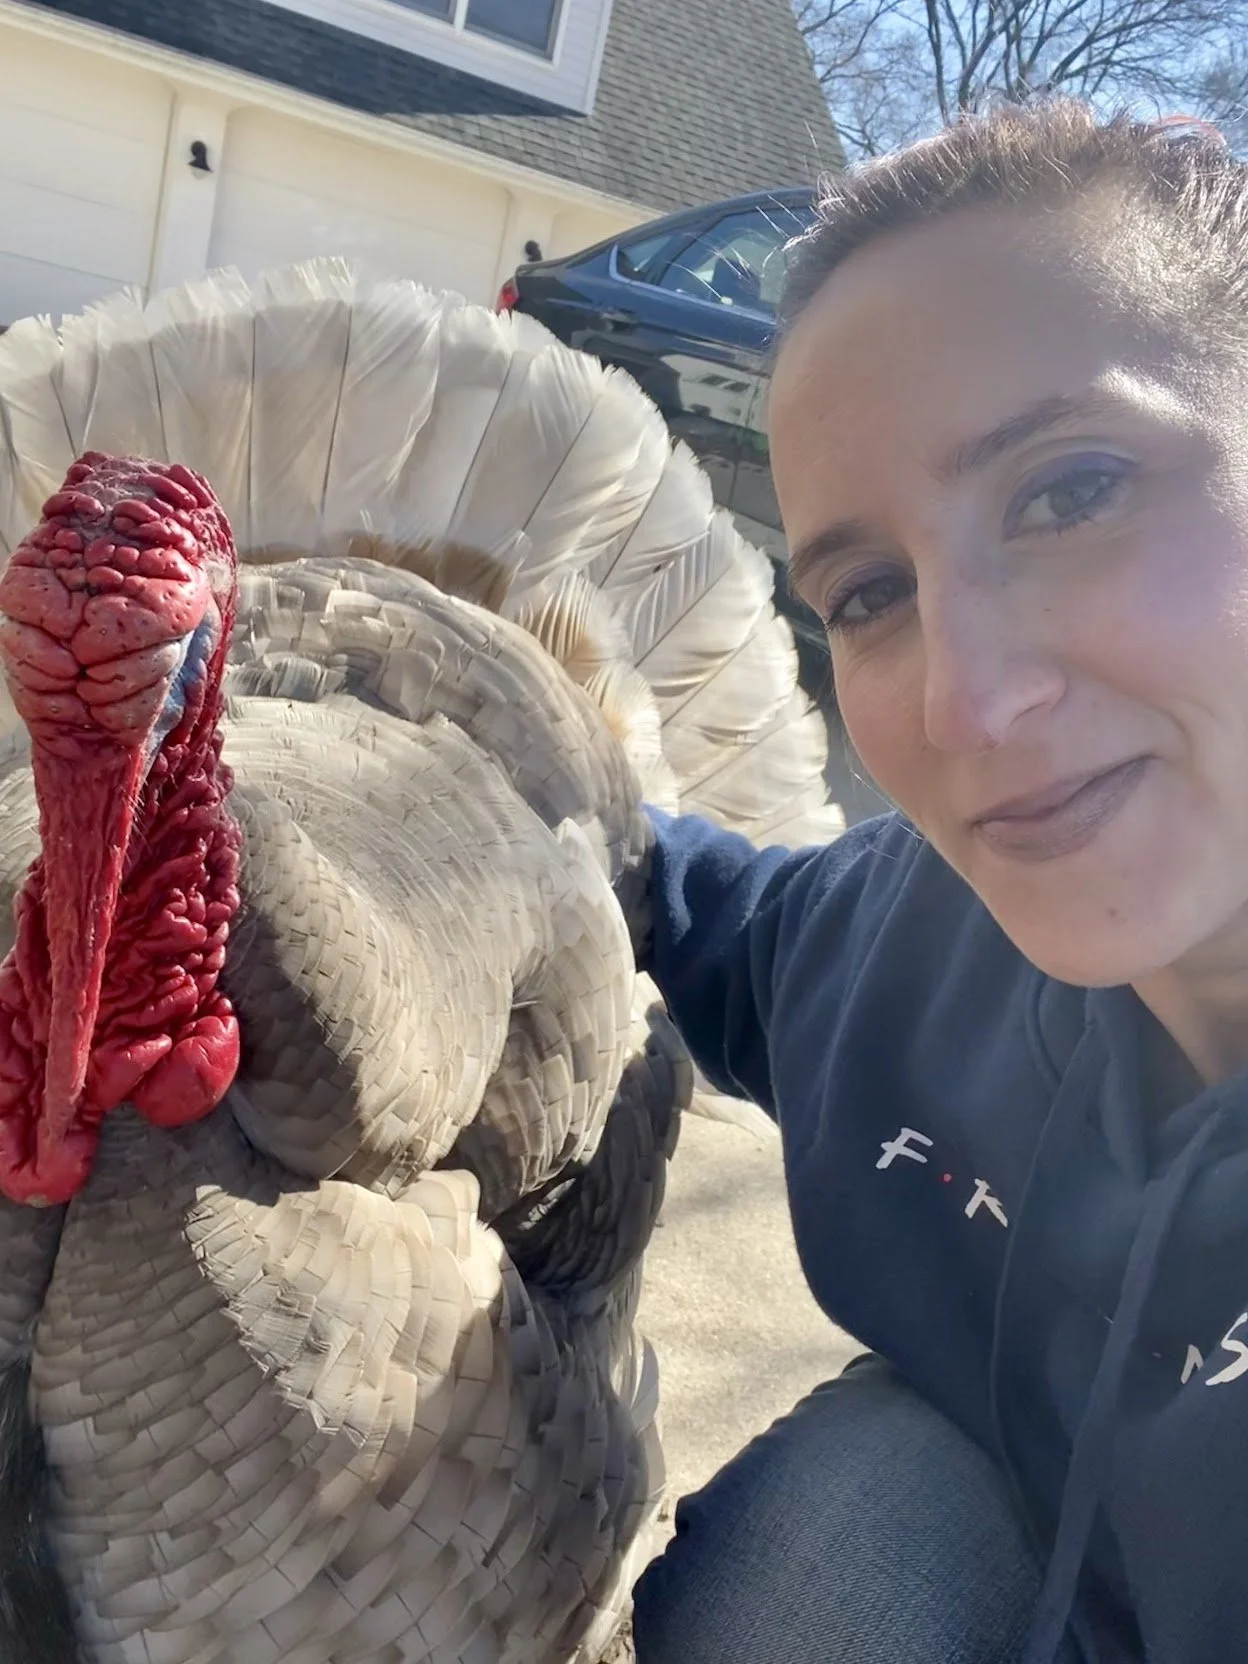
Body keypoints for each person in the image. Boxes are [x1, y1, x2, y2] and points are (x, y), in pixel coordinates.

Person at [627, 99, 1248, 1664]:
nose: (968, 703)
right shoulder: (918, 939)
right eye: (868, 592)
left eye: (1071, 490)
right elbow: (682, 905)